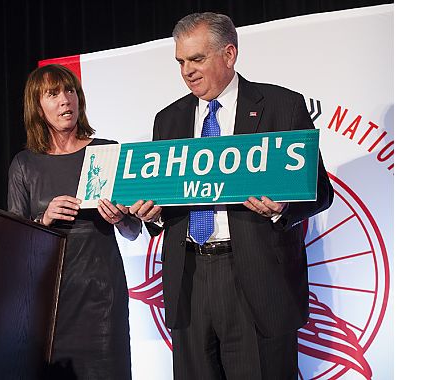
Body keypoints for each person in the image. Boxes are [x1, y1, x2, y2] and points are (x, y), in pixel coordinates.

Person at [129, 13, 334, 379]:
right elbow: (165, 200)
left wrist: (283, 207)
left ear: (228, 54)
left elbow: (319, 191)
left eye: (197, 59)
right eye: (180, 61)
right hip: (188, 278)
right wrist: (153, 213)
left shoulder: (281, 106)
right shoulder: (168, 120)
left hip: (255, 278)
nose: (187, 71)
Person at [7, 64, 139, 379]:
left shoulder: (107, 151)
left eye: (69, 91)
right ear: (37, 107)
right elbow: (11, 242)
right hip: (50, 298)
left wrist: (120, 218)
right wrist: (44, 219)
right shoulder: (24, 164)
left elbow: (134, 230)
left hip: (101, 293)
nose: (65, 100)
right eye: (53, 94)